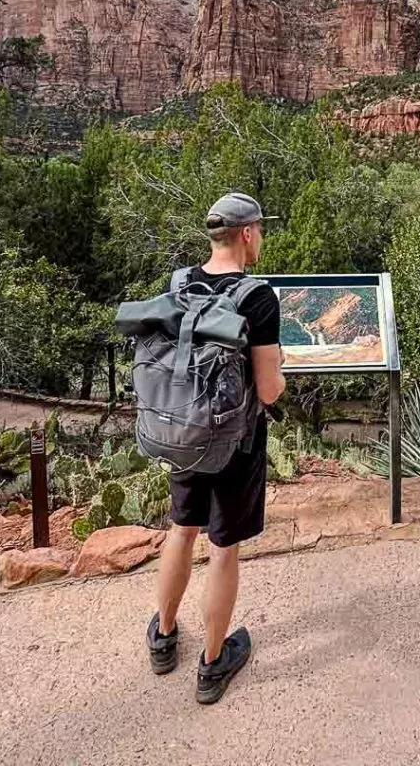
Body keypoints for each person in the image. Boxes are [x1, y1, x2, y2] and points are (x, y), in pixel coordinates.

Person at [146, 192, 286, 704]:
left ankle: (163, 637)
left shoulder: (180, 283)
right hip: (235, 440)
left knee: (181, 529)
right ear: (247, 234)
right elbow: (269, 390)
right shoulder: (258, 296)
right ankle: (211, 662)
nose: (261, 239)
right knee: (223, 547)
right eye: (261, 231)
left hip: (182, 430)